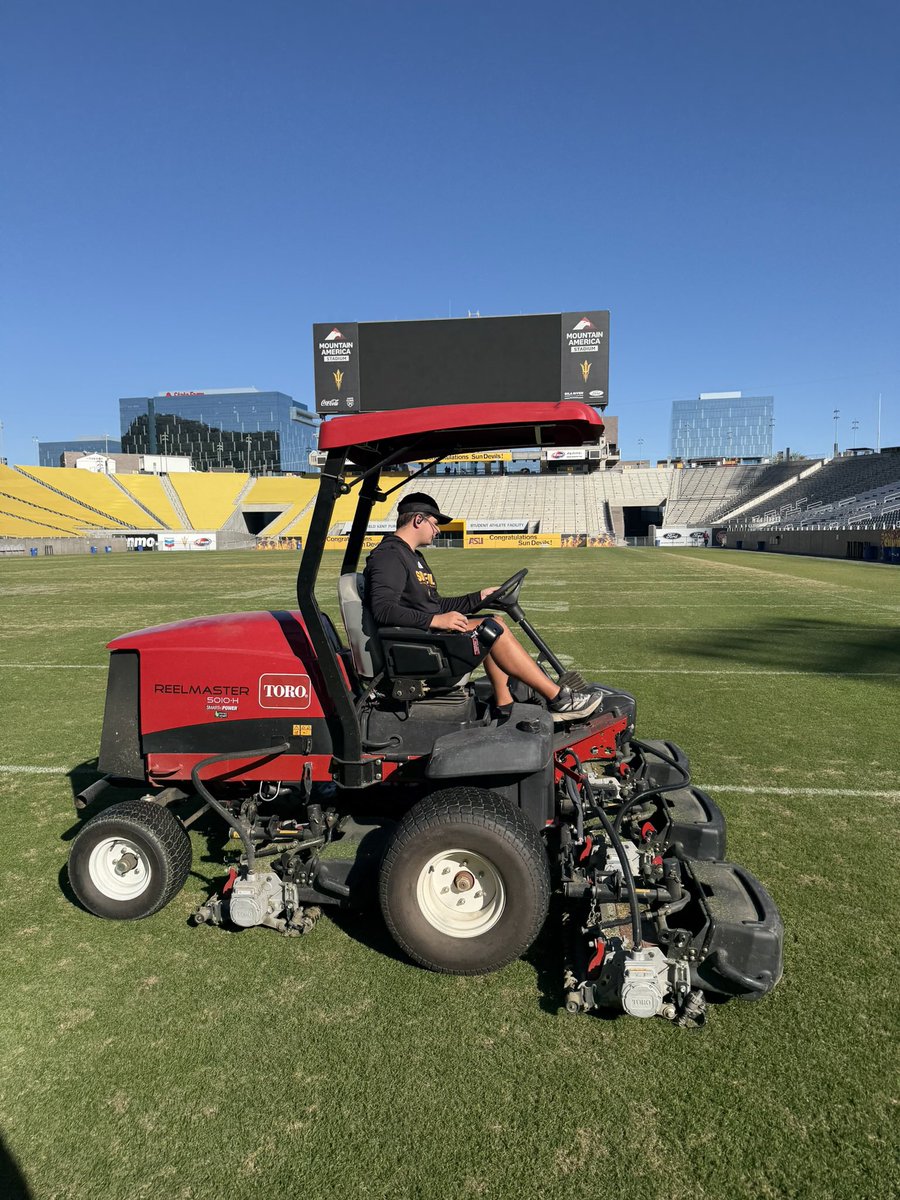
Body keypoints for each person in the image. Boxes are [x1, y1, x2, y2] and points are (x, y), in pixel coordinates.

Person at [363, 492, 602, 723]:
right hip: (414, 645)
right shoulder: (390, 555)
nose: (437, 530)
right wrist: (435, 621)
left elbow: (434, 604)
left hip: (423, 636)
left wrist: (477, 598)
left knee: (494, 622)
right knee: (491, 629)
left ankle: (504, 704)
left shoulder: (413, 556)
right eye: (435, 524)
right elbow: (383, 609)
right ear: (418, 520)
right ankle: (558, 699)